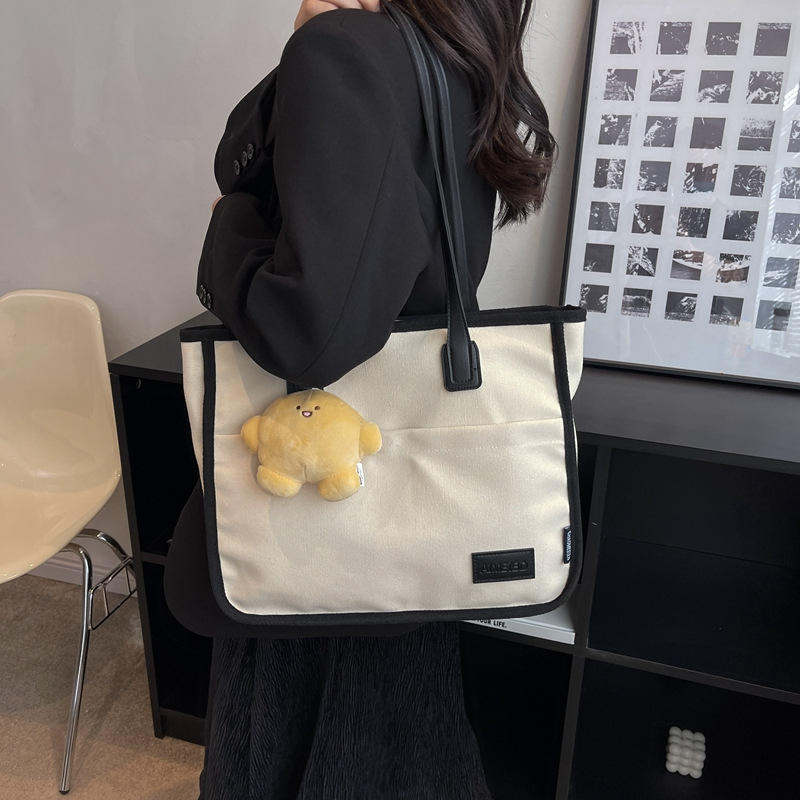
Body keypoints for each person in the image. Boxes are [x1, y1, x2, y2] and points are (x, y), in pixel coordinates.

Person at [164, 0, 556, 796]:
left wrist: (226, 228)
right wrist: (303, 51)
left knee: (296, 745)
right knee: (393, 746)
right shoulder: (452, 57)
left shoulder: (350, 49)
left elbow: (309, 334)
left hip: (311, 505)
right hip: (407, 497)